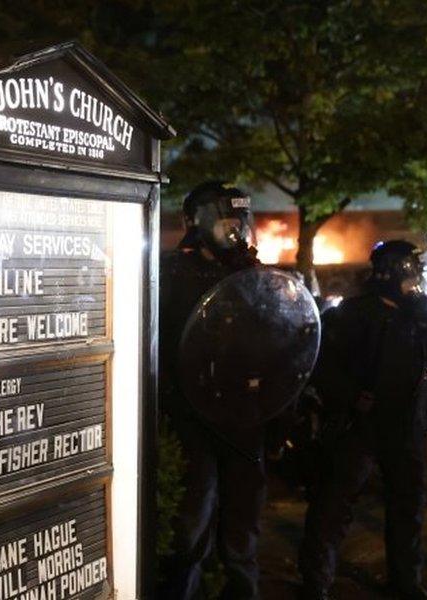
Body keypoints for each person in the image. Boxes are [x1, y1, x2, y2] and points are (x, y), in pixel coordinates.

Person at [298, 240, 427, 600]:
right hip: (358, 425)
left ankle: (405, 582)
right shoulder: (351, 314)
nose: (417, 281)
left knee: (408, 504)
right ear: (393, 273)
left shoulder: (425, 316)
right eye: (411, 272)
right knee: (334, 504)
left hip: (405, 423)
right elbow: (321, 364)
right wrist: (350, 397)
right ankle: (316, 583)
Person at [157, 181, 265, 599]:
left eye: (240, 219)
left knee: (243, 528)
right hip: (192, 416)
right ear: (196, 222)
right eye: (225, 220)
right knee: (190, 529)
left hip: (245, 418)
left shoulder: (251, 275)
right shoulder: (171, 274)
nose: (235, 229)